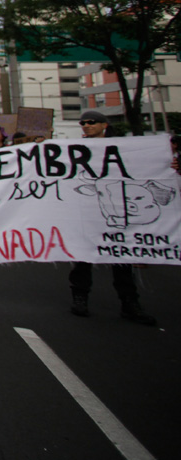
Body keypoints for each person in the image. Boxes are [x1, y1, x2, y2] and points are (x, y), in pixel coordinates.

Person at [67, 110, 155, 325]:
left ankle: (130, 303)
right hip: (88, 212)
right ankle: (80, 298)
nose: (86, 126)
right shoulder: (76, 150)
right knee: (83, 257)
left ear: (104, 125)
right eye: (83, 123)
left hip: (119, 213)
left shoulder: (122, 149)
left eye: (91, 122)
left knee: (121, 258)